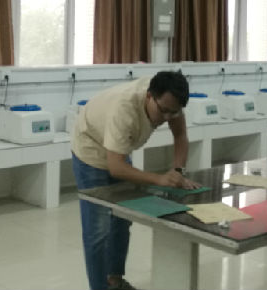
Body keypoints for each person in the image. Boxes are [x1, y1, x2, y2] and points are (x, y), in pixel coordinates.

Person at [71, 71, 199, 290]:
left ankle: (115, 280)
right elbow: (116, 168)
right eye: (163, 111)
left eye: (174, 112)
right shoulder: (124, 109)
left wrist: (177, 171)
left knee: (122, 218)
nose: (167, 117)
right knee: (98, 229)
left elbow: (180, 135)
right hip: (91, 148)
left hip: (116, 149)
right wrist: (159, 179)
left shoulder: (170, 100)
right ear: (149, 96)